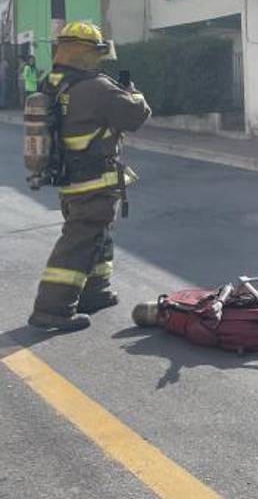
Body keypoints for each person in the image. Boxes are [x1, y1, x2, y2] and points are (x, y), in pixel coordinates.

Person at [28, 21, 151, 332]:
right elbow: (136, 116)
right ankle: (51, 309)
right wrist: (133, 92)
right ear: (88, 53)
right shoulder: (98, 87)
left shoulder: (51, 83)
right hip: (95, 183)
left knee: (97, 236)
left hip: (70, 181)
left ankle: (95, 292)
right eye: (97, 52)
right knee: (79, 243)